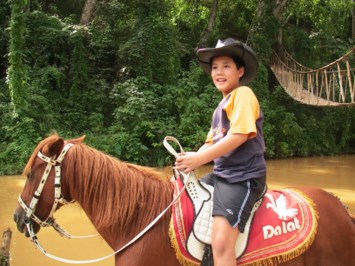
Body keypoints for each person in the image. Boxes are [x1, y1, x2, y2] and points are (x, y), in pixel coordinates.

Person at [175, 37, 267, 266]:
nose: (219, 72)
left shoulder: (243, 94)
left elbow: (240, 135)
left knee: (221, 242)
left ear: (240, 71)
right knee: (183, 203)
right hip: (222, 175)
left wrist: (200, 159)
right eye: (215, 67)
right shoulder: (221, 105)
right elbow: (210, 143)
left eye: (226, 66)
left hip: (242, 177)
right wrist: (190, 159)